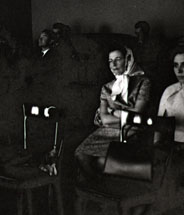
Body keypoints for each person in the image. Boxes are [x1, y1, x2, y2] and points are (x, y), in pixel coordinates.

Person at [75, 45, 152, 178]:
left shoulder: (143, 82)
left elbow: (136, 114)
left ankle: (105, 187)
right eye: (110, 61)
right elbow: (105, 120)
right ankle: (95, 186)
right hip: (108, 131)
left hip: (131, 132)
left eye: (118, 59)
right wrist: (123, 117)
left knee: (102, 162)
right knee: (80, 154)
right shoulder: (106, 88)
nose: (114, 65)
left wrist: (112, 111)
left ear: (127, 60)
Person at [156, 46, 184, 143]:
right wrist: (156, 145)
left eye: (183, 65)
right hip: (172, 145)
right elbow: (159, 125)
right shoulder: (169, 90)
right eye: (176, 65)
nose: (179, 70)